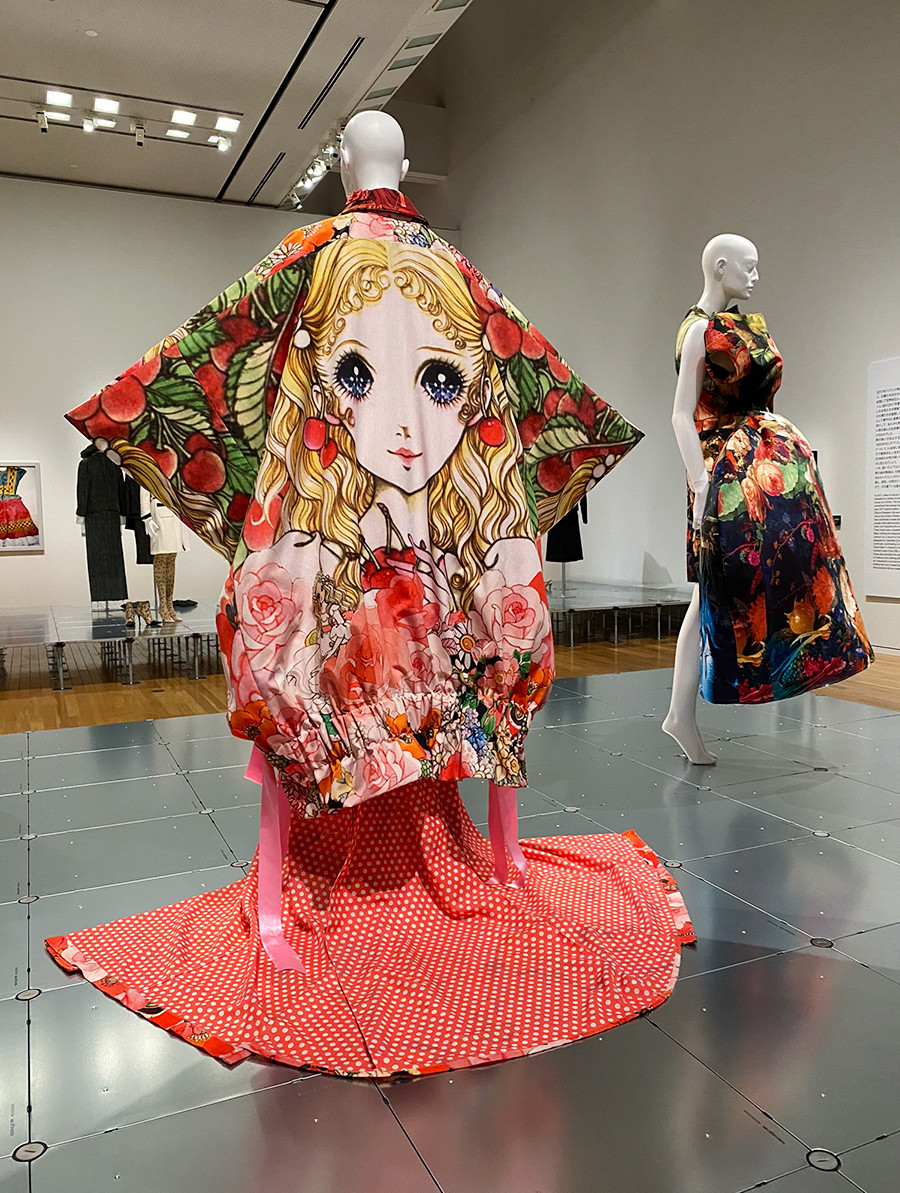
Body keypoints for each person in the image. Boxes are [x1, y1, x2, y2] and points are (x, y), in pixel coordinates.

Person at [49, 113, 694, 1077]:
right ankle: (495, 856)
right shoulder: (461, 272)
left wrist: (187, 450)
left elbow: (210, 367)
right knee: (425, 619)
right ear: (406, 165)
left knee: (307, 621)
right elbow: (544, 393)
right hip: (443, 535)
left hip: (341, 522)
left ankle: (294, 886)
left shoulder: (310, 258)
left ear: (345, 167)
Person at [664, 235, 872, 761]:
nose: (755, 277)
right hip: (724, 472)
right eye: (748, 267)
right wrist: (700, 482)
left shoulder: (745, 327)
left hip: (764, 465)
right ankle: (685, 712)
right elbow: (681, 414)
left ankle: (682, 714)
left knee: (752, 579)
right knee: (715, 588)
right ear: (720, 267)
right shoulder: (699, 331)